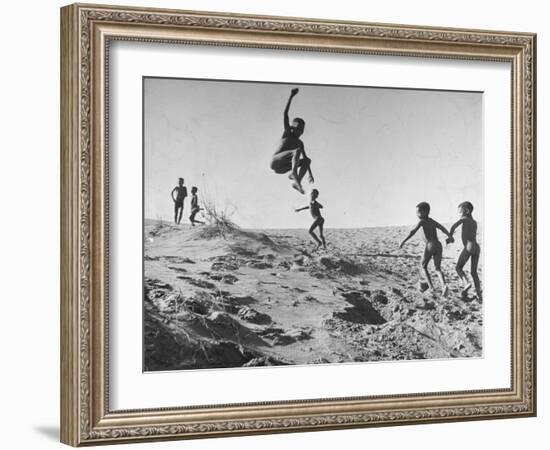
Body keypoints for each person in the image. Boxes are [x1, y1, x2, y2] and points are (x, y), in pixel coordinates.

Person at [399, 202, 452, 297]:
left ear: (424, 212)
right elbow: (442, 228)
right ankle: (444, 285)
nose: (417, 214)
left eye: (418, 212)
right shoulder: (432, 221)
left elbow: (413, 232)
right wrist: (449, 236)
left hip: (430, 244)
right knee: (437, 268)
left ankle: (432, 288)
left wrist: (403, 241)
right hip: (438, 245)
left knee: (423, 266)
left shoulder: (422, 221)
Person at [270, 88, 315, 194]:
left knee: (307, 160)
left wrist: (310, 174)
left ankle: (297, 181)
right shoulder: (288, 133)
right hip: (275, 162)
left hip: (283, 168)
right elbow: (285, 114)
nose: (300, 132)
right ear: (292, 127)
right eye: (298, 129)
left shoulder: (300, 143)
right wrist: (291, 96)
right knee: (297, 151)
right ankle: (294, 175)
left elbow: (305, 159)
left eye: (302, 130)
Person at [447, 201, 482, 301]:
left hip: (469, 246)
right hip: (476, 247)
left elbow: (453, 226)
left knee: (458, 268)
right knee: (474, 272)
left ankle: (466, 283)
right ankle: (479, 294)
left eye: (460, 212)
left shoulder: (464, 219)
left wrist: (450, 236)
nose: (459, 215)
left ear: (466, 211)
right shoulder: (474, 222)